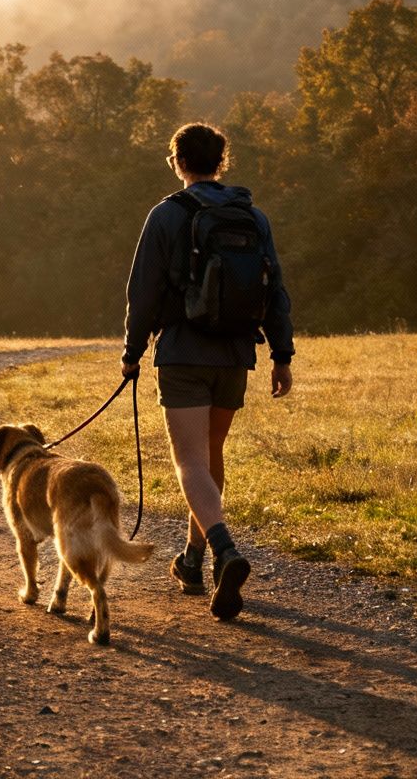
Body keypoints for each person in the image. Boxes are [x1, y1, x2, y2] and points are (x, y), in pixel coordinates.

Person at [121, 121, 294, 621]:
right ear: (222, 161)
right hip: (236, 354)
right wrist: (281, 356)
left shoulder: (166, 215)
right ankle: (193, 560)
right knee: (212, 454)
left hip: (183, 353)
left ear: (176, 161)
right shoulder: (253, 216)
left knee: (189, 462)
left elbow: (144, 291)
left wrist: (133, 351)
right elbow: (275, 289)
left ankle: (225, 551)